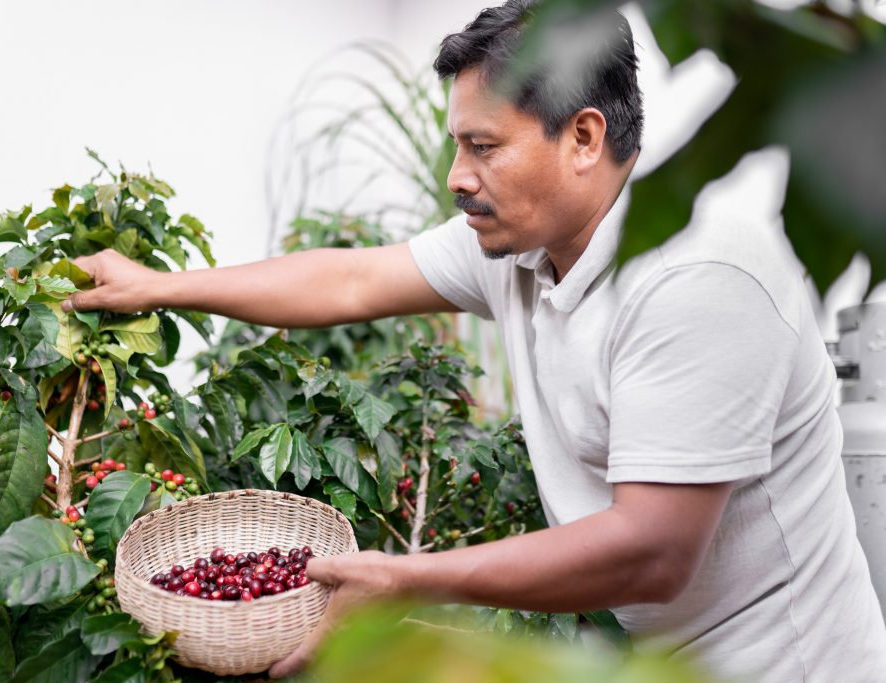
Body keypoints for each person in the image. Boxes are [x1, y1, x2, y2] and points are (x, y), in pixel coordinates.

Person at [63, 2, 886, 681]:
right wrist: (152, 286)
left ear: (585, 138)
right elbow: (349, 281)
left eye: (482, 146)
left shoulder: (699, 277)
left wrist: (403, 580)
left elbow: (653, 550)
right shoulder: (524, 243)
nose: (457, 175)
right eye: (459, 144)